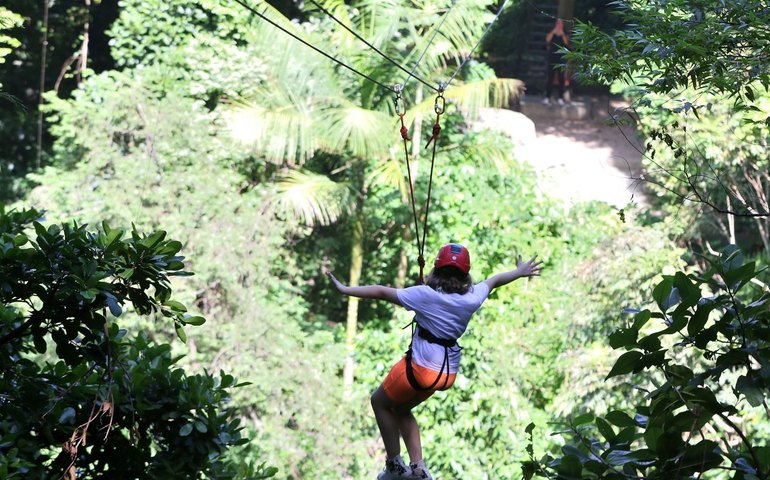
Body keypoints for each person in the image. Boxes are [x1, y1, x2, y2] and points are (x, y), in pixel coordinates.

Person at [326, 243, 544, 480]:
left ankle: (394, 467)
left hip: (420, 368)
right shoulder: (472, 297)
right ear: (466, 275)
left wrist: (345, 289)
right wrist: (519, 271)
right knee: (400, 409)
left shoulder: (425, 296)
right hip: (447, 373)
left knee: (378, 402)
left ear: (436, 271)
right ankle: (418, 469)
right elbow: (494, 280)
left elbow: (381, 292)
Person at [544, 18, 571, 104]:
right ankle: (547, 97)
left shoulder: (565, 33)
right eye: (558, 23)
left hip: (561, 59)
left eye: (561, 23)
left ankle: (560, 97)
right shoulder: (552, 32)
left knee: (561, 78)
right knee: (550, 77)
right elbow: (547, 40)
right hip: (551, 57)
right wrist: (554, 31)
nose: (559, 25)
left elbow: (567, 43)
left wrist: (562, 33)